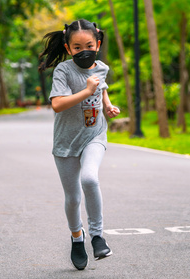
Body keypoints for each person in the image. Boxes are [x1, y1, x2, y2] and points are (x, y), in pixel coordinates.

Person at [38, 19, 120, 270]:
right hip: (65, 141)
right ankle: (77, 237)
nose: (83, 50)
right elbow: (58, 104)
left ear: (98, 43)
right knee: (73, 198)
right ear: (68, 47)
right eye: (76, 47)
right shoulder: (63, 71)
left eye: (89, 45)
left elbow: (101, 86)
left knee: (90, 179)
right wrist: (86, 91)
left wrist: (107, 104)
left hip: (94, 134)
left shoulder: (102, 67)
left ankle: (97, 236)